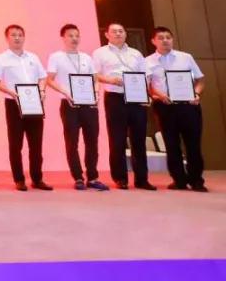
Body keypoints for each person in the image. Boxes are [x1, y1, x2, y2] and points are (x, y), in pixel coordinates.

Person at [92, 22, 155, 190]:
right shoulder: (100, 53)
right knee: (117, 138)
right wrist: (110, 80)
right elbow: (94, 75)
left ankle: (142, 179)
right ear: (107, 35)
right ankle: (120, 178)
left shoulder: (136, 53)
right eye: (114, 31)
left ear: (125, 34)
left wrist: (145, 93)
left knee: (139, 139)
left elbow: (146, 75)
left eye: (121, 31)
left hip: (136, 97)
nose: (118, 34)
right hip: (115, 97)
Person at [46, 24, 107, 191]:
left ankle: (93, 177)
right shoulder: (56, 57)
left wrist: (96, 93)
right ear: (63, 38)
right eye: (70, 35)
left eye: (77, 35)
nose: (74, 38)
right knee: (72, 142)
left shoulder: (86, 57)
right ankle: (78, 177)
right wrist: (66, 92)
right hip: (69, 104)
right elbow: (49, 80)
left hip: (89, 104)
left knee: (92, 141)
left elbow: (95, 79)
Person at [0, 24, 52, 191]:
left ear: (24, 37)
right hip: (14, 103)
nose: (17, 38)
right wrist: (12, 93)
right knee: (15, 144)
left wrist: (41, 90)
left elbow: (43, 77)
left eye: (20, 34)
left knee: (36, 144)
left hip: (34, 103)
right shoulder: (1, 58)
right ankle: (19, 179)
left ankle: (37, 179)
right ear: (7, 38)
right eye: (13, 35)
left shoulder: (33, 57)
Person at [146, 26, 206, 192]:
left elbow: (200, 80)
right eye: (161, 38)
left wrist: (196, 94)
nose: (165, 40)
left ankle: (197, 181)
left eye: (168, 37)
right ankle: (179, 180)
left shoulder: (185, 57)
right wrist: (159, 95)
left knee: (193, 144)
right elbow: (148, 86)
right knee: (171, 145)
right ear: (153, 41)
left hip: (189, 106)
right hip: (165, 107)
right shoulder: (147, 61)